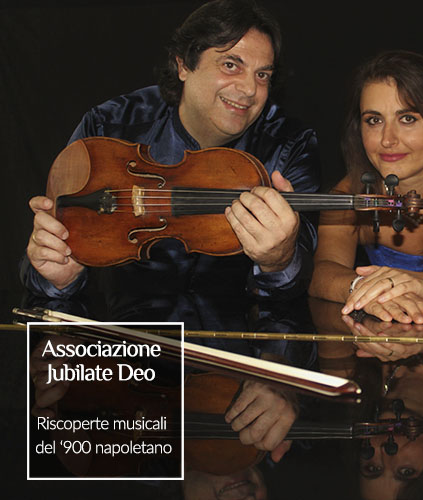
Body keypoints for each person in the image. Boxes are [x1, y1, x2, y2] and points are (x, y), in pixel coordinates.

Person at [24, 0, 320, 468]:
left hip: (241, 363)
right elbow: (47, 267)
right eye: (231, 64)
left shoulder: (289, 144)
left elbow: (294, 294)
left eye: (263, 74)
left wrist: (280, 258)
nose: (249, 89)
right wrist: (55, 277)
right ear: (183, 64)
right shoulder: (108, 128)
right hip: (122, 357)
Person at [309, 50, 423, 324]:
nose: (387, 139)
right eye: (374, 120)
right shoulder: (350, 194)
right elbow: (322, 274)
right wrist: (364, 290)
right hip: (393, 343)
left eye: (407, 118)